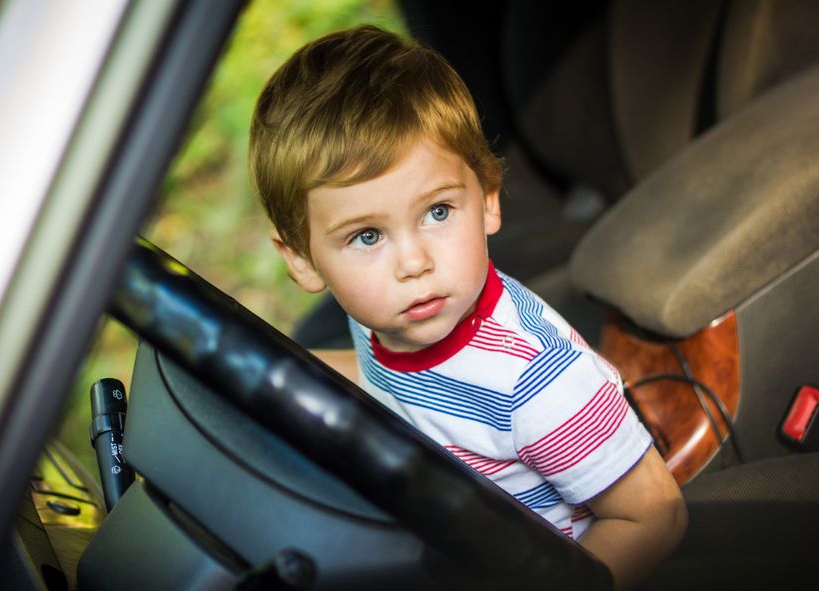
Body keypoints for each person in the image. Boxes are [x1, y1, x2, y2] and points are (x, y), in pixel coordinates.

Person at [249, 24, 687, 590]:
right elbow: (384, 380)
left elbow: (653, 515)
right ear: (303, 260)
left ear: (486, 199)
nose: (413, 262)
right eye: (366, 237)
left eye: (436, 212)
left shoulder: (536, 381)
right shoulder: (382, 319)